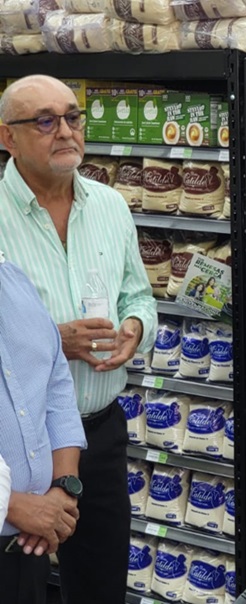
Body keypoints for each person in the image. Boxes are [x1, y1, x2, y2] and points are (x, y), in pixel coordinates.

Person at [0, 75, 157, 604]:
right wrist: (51, 341)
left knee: (101, 584)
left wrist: (135, 329)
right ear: (8, 138)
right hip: (15, 456)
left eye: (72, 116)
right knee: (18, 586)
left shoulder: (110, 206)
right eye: (44, 121)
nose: (65, 131)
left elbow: (138, 294)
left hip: (100, 432)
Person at [0, 256, 87, 604]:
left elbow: (55, 383)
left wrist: (64, 489)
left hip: (28, 545)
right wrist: (11, 506)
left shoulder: (13, 280)